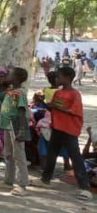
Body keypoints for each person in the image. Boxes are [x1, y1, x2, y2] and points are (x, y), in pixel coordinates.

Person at [39, 66, 93, 201]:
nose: (56, 79)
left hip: (69, 130)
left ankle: (84, 187)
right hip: (57, 127)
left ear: (67, 78)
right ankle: (45, 179)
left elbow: (73, 110)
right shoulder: (58, 93)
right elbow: (54, 109)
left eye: (59, 76)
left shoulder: (74, 94)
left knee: (75, 157)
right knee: (52, 153)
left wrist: (55, 106)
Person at [0, 67, 30, 197]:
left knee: (18, 155)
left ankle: (22, 184)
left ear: (16, 78)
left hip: (16, 126)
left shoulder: (19, 93)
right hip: (7, 126)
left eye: (10, 74)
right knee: (8, 154)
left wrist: (22, 130)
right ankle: (8, 180)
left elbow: (22, 111)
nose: (7, 76)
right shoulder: (11, 91)